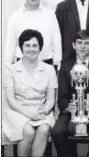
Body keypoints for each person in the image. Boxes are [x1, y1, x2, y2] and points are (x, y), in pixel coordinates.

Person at [51, 30, 89, 157]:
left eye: (87, 43)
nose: (83, 47)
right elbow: (62, 96)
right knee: (57, 132)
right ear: (73, 45)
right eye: (79, 43)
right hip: (71, 110)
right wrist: (67, 107)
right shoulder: (65, 67)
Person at [2, 29, 58, 157]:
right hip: (17, 110)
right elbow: (11, 100)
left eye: (35, 45)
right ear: (21, 47)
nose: (31, 49)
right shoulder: (10, 70)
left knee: (44, 129)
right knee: (28, 131)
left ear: (40, 48)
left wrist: (43, 111)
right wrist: (29, 113)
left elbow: (50, 100)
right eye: (27, 45)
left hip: (41, 110)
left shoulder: (49, 70)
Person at [4, 0, 62, 71]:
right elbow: (10, 46)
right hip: (21, 66)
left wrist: (57, 65)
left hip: (46, 64)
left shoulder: (50, 15)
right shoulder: (14, 17)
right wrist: (7, 68)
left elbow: (56, 41)